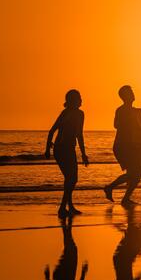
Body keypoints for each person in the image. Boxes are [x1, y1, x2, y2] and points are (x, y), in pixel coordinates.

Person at [104, 85, 141, 207]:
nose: (133, 94)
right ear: (125, 96)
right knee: (135, 172)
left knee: (137, 172)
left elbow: (140, 128)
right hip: (121, 145)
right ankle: (111, 188)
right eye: (130, 92)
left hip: (129, 145)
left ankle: (122, 196)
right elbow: (116, 125)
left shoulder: (133, 111)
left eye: (132, 91)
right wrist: (126, 123)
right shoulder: (121, 110)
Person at [45, 90, 89, 218]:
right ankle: (62, 207)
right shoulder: (74, 114)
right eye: (79, 98)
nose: (81, 100)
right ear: (73, 100)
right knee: (72, 178)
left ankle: (68, 206)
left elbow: (53, 131)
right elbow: (53, 131)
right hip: (63, 149)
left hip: (65, 149)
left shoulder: (72, 113)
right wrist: (47, 149)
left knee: (70, 179)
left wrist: (48, 149)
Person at [44, 216, 88, 280]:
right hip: (60, 278)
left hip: (64, 277)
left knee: (71, 249)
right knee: (71, 249)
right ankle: (66, 227)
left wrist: (83, 272)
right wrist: (47, 279)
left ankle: (65, 226)